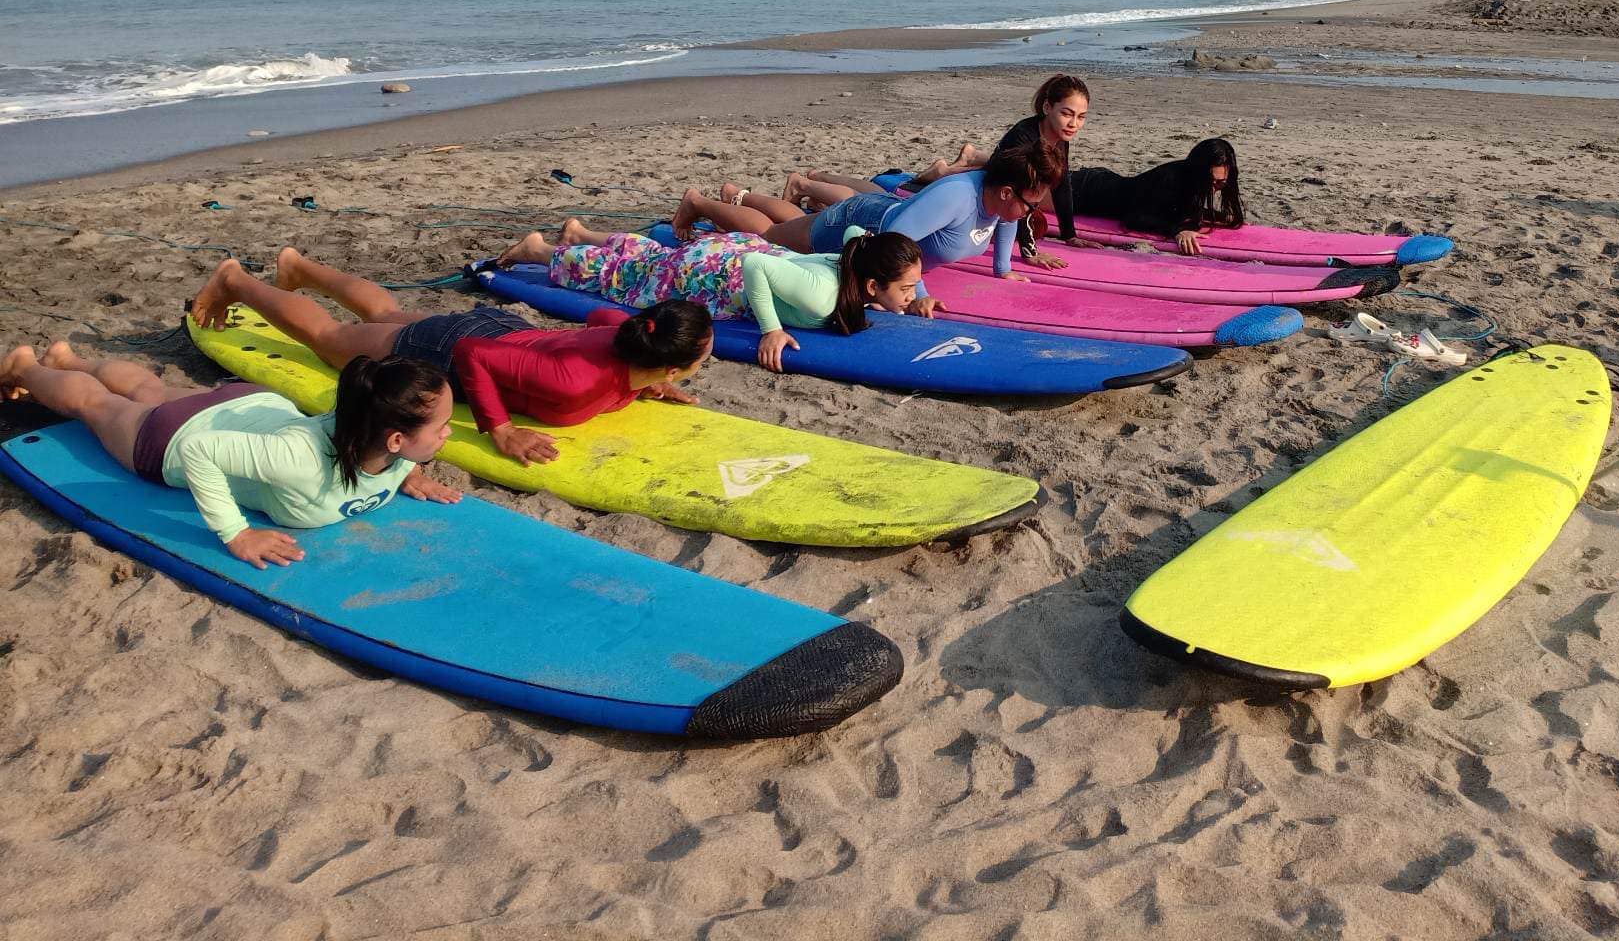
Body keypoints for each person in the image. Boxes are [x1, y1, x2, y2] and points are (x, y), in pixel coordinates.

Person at [189, 248, 710, 465]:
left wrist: (647, 383)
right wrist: (501, 430)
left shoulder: (629, 335)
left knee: (387, 313)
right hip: (456, 348)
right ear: (671, 364)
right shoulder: (573, 382)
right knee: (329, 338)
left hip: (505, 332)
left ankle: (297, 264)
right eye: (699, 358)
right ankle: (234, 279)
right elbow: (470, 354)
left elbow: (603, 321)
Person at [0, 340, 457, 569]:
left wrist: (405, 474)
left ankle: (69, 359)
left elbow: (385, 453)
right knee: (98, 406)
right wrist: (236, 534)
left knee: (150, 388)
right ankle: (26, 365)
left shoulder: (375, 434)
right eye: (441, 427)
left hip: (252, 407)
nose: (448, 433)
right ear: (395, 438)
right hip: (178, 435)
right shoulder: (300, 462)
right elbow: (200, 451)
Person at [496, 219, 925, 373]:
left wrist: (918, 295)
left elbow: (855, 234)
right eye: (907, 288)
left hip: (742, 250)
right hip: (718, 272)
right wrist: (771, 330)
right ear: (872, 285)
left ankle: (582, 233)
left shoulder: (859, 257)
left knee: (655, 257)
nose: (911, 296)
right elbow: (756, 270)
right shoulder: (821, 297)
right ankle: (543, 250)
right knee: (625, 279)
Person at [674, 142, 1059, 301]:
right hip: (864, 226)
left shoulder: (1001, 201)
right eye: (1030, 205)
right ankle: (699, 202)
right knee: (774, 235)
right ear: (1007, 192)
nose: (1031, 215)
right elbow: (894, 241)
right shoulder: (957, 196)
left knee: (800, 226)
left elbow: (1005, 222)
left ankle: (739, 194)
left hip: (877, 214)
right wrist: (917, 296)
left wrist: (1004, 268)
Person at [798, 74, 1100, 267]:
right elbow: (1011, 204)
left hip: (902, 210)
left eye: (1081, 117)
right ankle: (807, 183)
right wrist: (1030, 252)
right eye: (1068, 113)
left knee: (873, 199)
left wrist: (1069, 235)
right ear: (1047, 108)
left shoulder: (1057, 140)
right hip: (912, 200)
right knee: (879, 192)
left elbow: (1029, 202)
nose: (1074, 123)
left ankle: (810, 188)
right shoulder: (1023, 140)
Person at [1067, 137, 1246, 255]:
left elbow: (1180, 210)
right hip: (1084, 191)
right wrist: (1177, 230)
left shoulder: (1193, 181)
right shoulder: (1171, 180)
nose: (1216, 187)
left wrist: (1222, 216)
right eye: (1213, 182)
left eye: (1222, 183)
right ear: (1199, 173)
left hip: (1100, 182)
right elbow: (1134, 218)